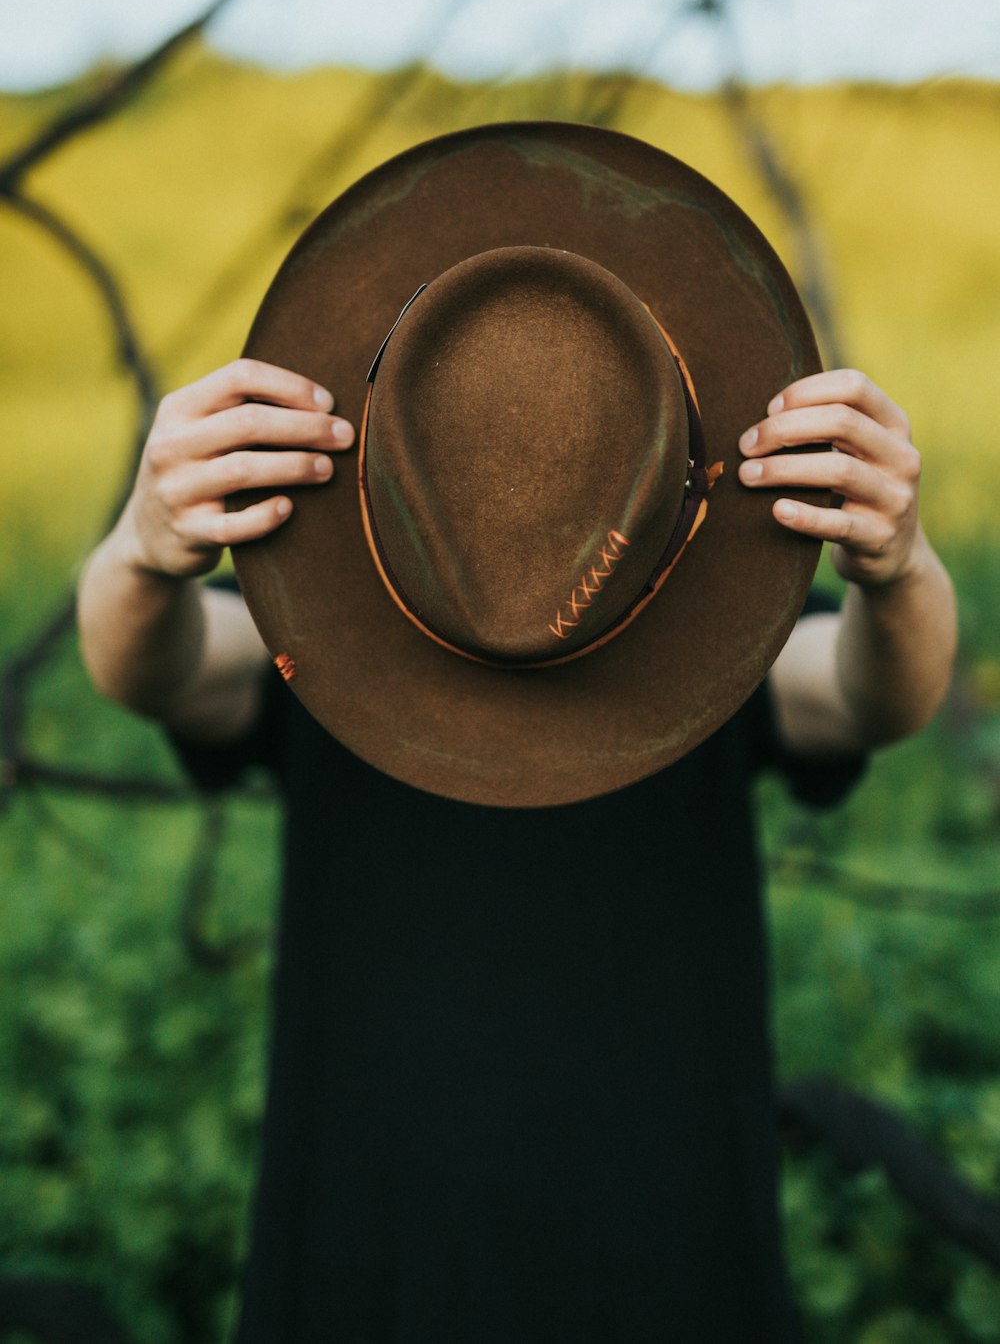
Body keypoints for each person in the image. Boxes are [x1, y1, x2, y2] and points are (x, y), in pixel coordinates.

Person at [77, 128, 956, 1343]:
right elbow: (153, 667)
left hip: (663, 1222)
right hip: (373, 1225)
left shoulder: (699, 647)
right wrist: (141, 550)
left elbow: (874, 696)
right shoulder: (327, 645)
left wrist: (898, 569)